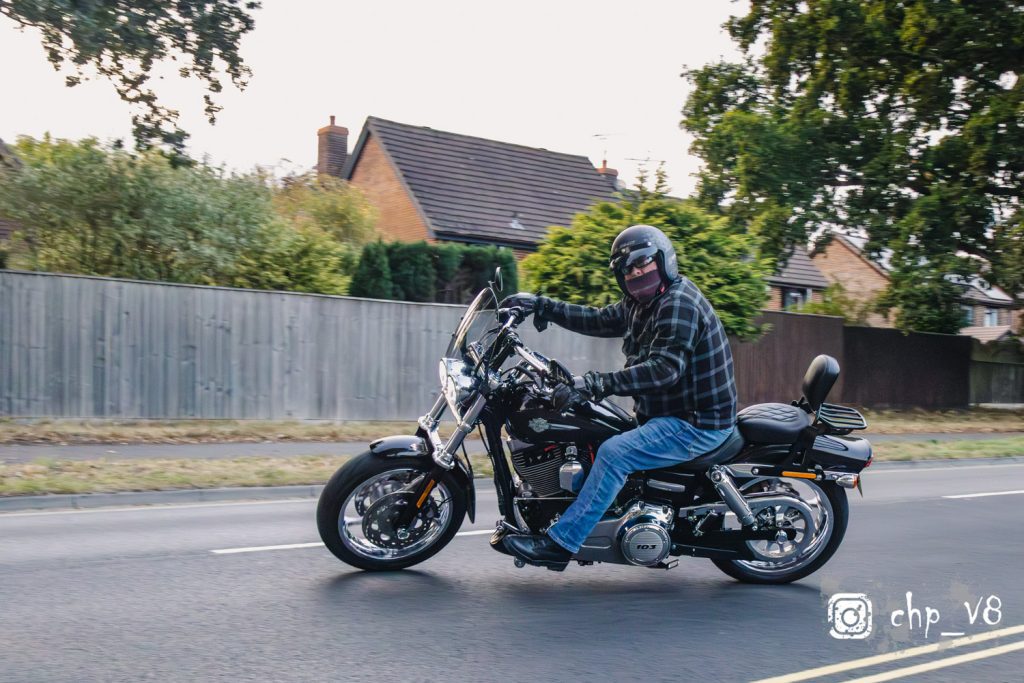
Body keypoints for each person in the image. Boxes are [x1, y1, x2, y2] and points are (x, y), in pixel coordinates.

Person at [499, 224, 738, 569]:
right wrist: (542, 306)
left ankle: (561, 543)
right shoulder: (642, 302)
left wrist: (594, 383)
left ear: (664, 261)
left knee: (613, 454)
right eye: (628, 270)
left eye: (644, 264)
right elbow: (597, 320)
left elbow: (663, 370)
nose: (637, 273)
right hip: (668, 414)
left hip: (696, 422)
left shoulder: (678, 304)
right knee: (598, 432)